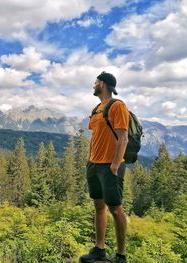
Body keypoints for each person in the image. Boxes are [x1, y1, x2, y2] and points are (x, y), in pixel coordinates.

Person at [79, 72, 130, 263]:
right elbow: (97, 136)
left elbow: (123, 137)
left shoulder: (117, 106)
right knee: (99, 206)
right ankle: (99, 249)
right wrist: (90, 160)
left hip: (110, 167)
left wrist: (115, 166)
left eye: (95, 82)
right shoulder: (96, 109)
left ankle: (121, 255)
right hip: (94, 165)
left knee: (116, 209)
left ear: (103, 83)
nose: (93, 85)